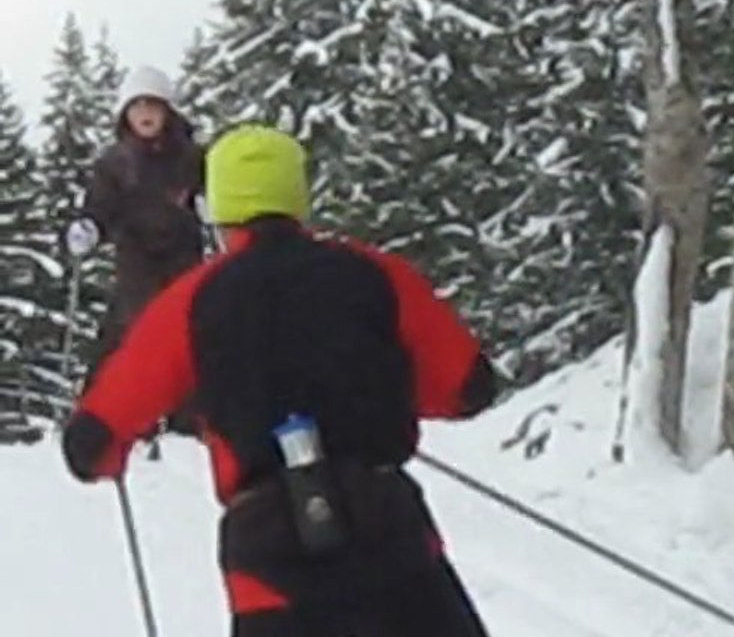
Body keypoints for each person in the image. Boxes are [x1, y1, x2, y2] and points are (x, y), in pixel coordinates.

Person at [62, 125, 497, 636]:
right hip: (386, 525)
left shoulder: (192, 300)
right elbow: (469, 386)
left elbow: (95, 434)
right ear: (298, 197)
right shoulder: (372, 272)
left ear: (219, 211)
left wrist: (103, 455)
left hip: (269, 548)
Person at [65, 64, 204, 435]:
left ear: (168, 112)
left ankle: (189, 417)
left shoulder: (191, 157)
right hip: (135, 253)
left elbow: (209, 191)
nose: (145, 114)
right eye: (137, 106)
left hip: (182, 250)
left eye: (153, 106)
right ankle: (107, 417)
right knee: (132, 327)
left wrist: (211, 207)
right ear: (126, 114)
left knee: (188, 327)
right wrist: (91, 226)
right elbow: (102, 204)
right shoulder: (115, 162)